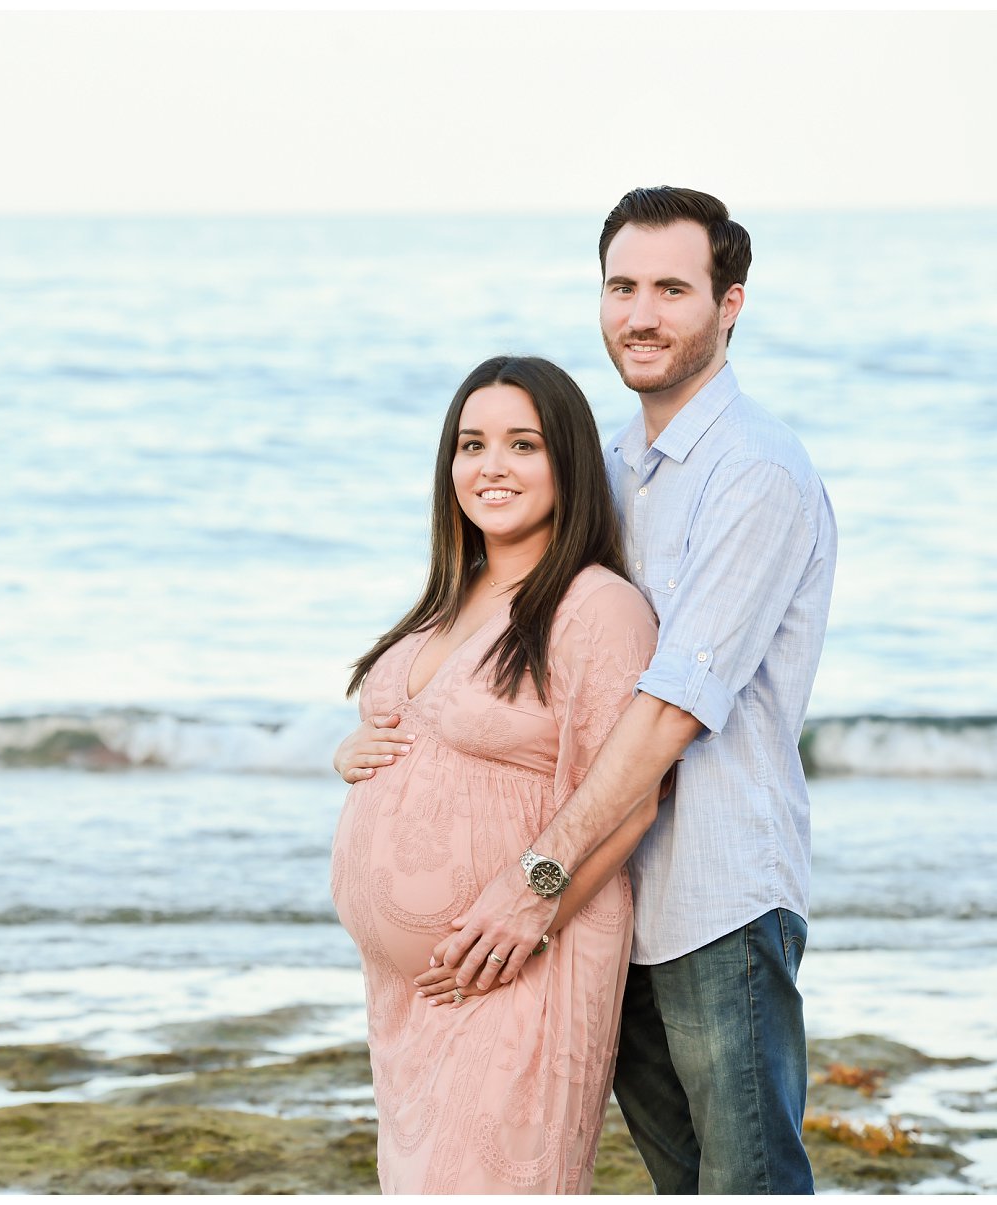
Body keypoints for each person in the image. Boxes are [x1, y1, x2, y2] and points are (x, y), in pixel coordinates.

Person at [345, 187, 838, 1194]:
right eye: (622, 287)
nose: (642, 314)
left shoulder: (755, 473)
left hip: (712, 893)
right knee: (681, 1176)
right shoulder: (609, 468)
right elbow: (512, 639)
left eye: (672, 287)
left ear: (730, 303)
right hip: (612, 901)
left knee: (746, 1180)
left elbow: (665, 712)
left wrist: (535, 884)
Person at [329, 355, 659, 1193]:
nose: (492, 467)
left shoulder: (597, 607)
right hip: (411, 997)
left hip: (519, 963)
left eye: (523, 444)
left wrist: (532, 914)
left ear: (570, 464)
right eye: (472, 444)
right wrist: (351, 756)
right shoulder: (451, 597)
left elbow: (628, 798)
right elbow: (418, 729)